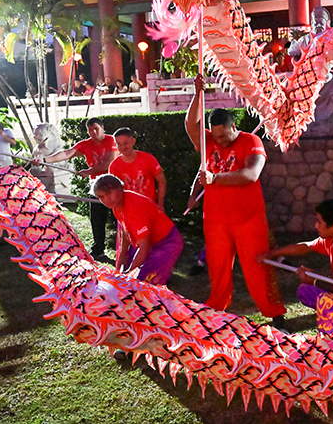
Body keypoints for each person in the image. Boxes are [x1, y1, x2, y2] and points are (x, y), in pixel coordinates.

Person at [185, 74, 286, 328]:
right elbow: (190, 125)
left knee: (257, 267)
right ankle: (217, 308)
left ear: (234, 126)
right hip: (215, 218)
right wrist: (198, 94)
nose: (218, 141)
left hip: (249, 218)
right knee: (217, 267)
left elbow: (251, 175)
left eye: (223, 136)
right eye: (215, 136)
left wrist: (215, 179)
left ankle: (274, 313)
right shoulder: (209, 141)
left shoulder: (251, 141)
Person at [259, 199, 333, 336]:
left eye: (319, 222)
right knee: (305, 291)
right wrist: (271, 254)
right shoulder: (332, 240)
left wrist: (314, 280)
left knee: (324, 300)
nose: (316, 226)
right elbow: (305, 247)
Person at [38, 117, 117, 261]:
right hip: (97, 186)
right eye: (90, 130)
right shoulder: (85, 144)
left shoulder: (111, 140)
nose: (93, 132)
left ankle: (126, 250)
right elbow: (67, 153)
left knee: (119, 219)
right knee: (97, 219)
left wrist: (89, 171)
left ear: (102, 128)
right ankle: (98, 251)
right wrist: (44, 160)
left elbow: (109, 163)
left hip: (115, 185)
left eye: (96, 129)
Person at [93, 174, 183, 285]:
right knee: (128, 274)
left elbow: (143, 248)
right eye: (101, 196)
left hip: (167, 243)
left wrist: (129, 275)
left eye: (109, 193)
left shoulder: (134, 207)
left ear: (121, 188)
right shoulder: (116, 205)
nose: (106, 199)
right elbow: (126, 230)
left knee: (141, 282)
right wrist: (122, 254)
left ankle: (161, 276)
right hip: (148, 241)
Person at [108, 127, 166, 208]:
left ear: (133, 141)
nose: (123, 147)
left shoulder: (147, 159)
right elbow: (113, 191)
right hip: (127, 209)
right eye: (119, 144)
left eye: (126, 143)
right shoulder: (114, 166)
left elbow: (161, 181)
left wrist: (160, 204)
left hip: (149, 207)